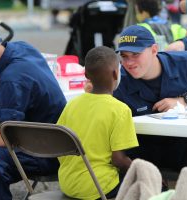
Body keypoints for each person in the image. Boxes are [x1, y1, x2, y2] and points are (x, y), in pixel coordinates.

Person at [113, 25, 187, 173]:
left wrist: (185, 101)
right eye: (124, 56)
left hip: (186, 143)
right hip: (143, 147)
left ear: (154, 50)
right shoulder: (118, 82)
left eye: (135, 54)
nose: (129, 62)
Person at [0, 27, 66, 199]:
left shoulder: (12, 79)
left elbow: (5, 136)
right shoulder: (19, 48)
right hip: (50, 136)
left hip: (46, 152)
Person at [57, 46, 139, 199]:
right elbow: (118, 160)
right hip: (99, 186)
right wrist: (138, 169)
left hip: (67, 183)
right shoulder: (120, 110)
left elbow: (59, 145)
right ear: (116, 73)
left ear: (86, 74)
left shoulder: (72, 104)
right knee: (148, 182)